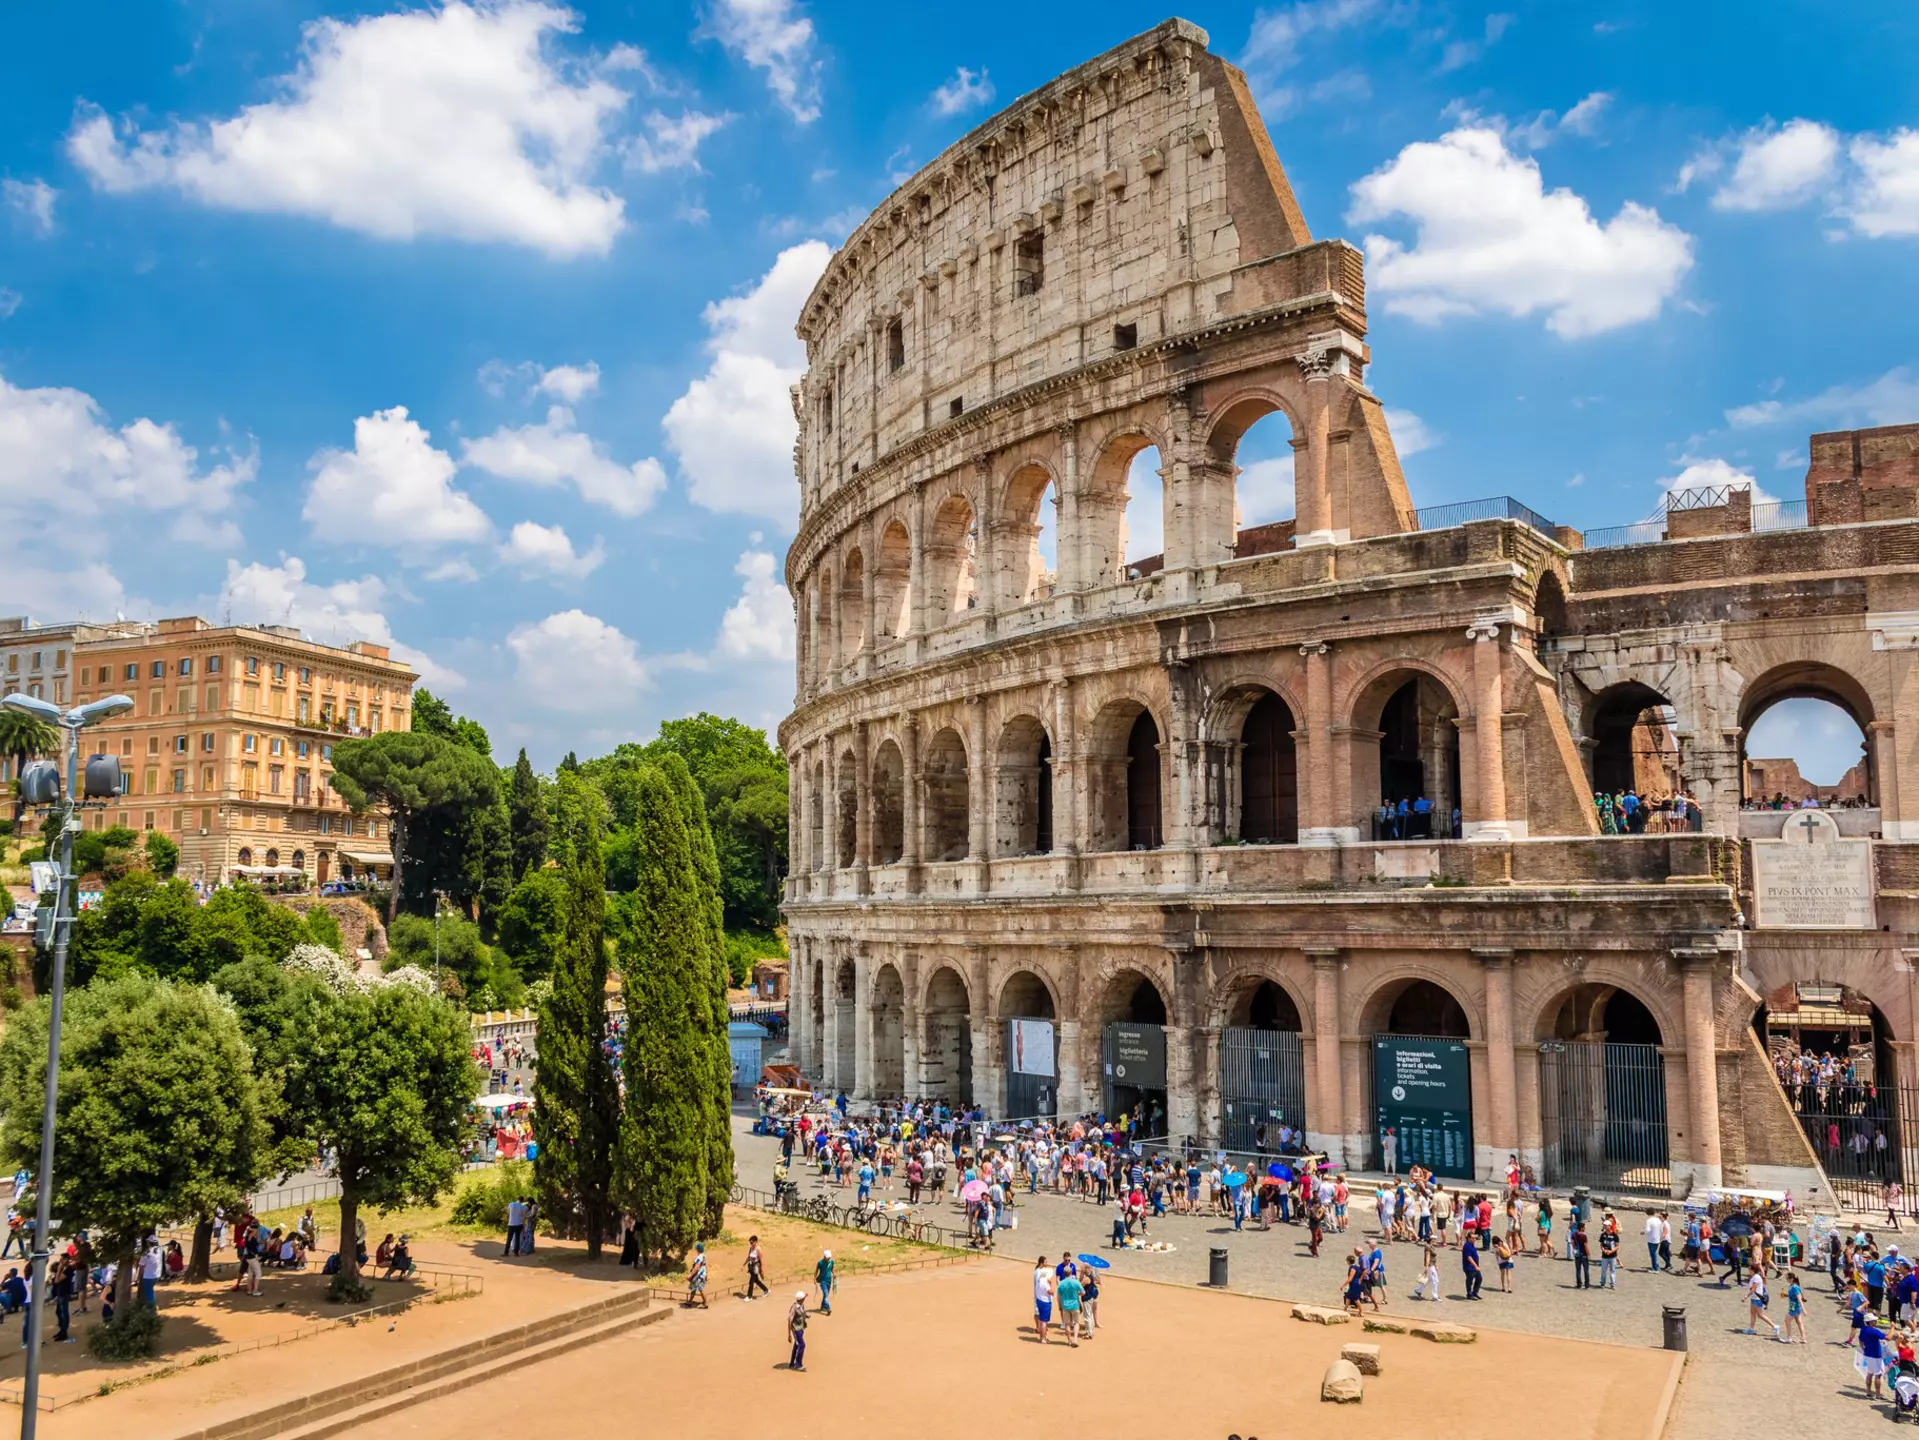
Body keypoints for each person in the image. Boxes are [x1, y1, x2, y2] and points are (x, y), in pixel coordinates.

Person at [1861, 1311, 1889, 1398]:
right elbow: (1888, 1337)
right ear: (1870, 1322)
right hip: (1875, 1356)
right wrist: (1892, 1328)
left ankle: (1869, 1392)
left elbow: (1861, 1341)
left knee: (1869, 1373)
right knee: (1878, 1375)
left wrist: (1864, 1349)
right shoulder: (1873, 1331)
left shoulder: (1864, 1329)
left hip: (1867, 1354)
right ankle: (1877, 1394)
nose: (1875, 1322)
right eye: (1874, 1320)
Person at [1057, 1265, 1085, 1345]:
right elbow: (1083, 1293)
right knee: (1076, 1323)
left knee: (1067, 1324)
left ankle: (1069, 1340)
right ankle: (1075, 1339)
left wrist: (1059, 1306)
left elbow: (1059, 1297)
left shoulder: (1061, 1284)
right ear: (1071, 1273)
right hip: (1075, 1305)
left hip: (1065, 1305)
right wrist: (1077, 1294)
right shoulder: (1076, 1282)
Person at [1032, 1256, 1054, 1343]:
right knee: (1042, 1319)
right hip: (1042, 1299)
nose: (1047, 1264)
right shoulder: (1039, 1275)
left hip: (1039, 1297)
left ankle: (1041, 1332)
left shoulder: (1039, 1273)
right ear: (1041, 1263)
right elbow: (1050, 1291)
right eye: (1045, 1262)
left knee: (1040, 1317)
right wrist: (1049, 1284)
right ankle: (1042, 1334)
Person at [787, 1290, 809, 1372]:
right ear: (801, 1299)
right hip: (796, 1329)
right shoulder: (794, 1308)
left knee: (797, 1345)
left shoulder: (801, 1305)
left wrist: (806, 1315)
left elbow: (802, 1313)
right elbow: (789, 1320)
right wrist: (789, 1334)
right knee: (802, 1345)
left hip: (801, 1328)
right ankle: (798, 1364)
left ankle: (792, 1363)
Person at [1784, 1270, 1807, 1344]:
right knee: (1799, 1322)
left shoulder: (1794, 1287)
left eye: (1787, 1278)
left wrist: (1804, 1309)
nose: (1786, 1280)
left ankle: (1789, 1337)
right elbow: (1794, 1296)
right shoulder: (1794, 1286)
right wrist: (1786, 1295)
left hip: (1794, 1307)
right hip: (1796, 1307)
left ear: (1791, 1279)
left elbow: (1799, 1298)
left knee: (1787, 1320)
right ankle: (1803, 1338)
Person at [744, 1236, 769, 1300]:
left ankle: (749, 1296)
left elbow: (761, 1260)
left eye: (752, 1242)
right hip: (751, 1266)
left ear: (755, 1241)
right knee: (756, 1280)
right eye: (750, 1242)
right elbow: (749, 1257)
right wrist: (743, 1265)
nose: (751, 1244)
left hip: (756, 1267)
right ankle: (766, 1290)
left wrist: (762, 1270)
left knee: (751, 1281)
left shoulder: (758, 1249)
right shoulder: (751, 1248)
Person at [687, 1242, 708, 1309]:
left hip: (698, 1276)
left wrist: (690, 1274)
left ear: (697, 1250)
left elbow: (696, 1267)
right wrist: (706, 1274)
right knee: (694, 1288)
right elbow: (706, 1266)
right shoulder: (704, 1256)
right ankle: (690, 1302)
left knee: (700, 1289)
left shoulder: (699, 1257)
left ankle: (705, 1303)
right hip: (702, 1275)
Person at [1599, 1222, 1620, 1289]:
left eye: (1606, 1225)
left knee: (1612, 1270)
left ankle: (1612, 1284)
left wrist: (1611, 1251)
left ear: (1610, 1226)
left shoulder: (1615, 1235)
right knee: (1603, 1270)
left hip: (1612, 1256)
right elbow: (1601, 1245)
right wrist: (1604, 1250)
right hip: (1604, 1256)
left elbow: (1617, 1246)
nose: (1604, 1227)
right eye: (1604, 1225)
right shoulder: (1602, 1235)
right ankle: (1602, 1283)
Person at [814, 1249, 835, 1315]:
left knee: (826, 1295)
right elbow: (816, 1271)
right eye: (827, 1257)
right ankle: (827, 1308)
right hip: (823, 1281)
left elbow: (832, 1268)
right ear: (824, 1257)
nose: (829, 1258)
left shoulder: (831, 1262)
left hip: (829, 1280)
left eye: (829, 1257)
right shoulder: (820, 1263)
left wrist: (834, 1274)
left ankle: (822, 1305)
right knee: (825, 1294)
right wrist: (814, 1278)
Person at [1462, 1233, 1482, 1300]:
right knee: (1469, 1280)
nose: (1474, 1239)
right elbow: (1469, 1257)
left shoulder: (1472, 1245)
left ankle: (1475, 1293)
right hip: (1469, 1267)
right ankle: (1469, 1294)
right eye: (1473, 1238)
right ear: (1469, 1238)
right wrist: (1476, 1266)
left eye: (1475, 1238)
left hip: (1474, 1267)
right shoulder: (1467, 1246)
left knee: (1479, 1279)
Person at [1571, 1223, 1592, 1289]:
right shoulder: (1584, 1236)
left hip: (1577, 1254)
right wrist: (1589, 1254)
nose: (1585, 1228)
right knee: (1586, 1270)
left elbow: (1573, 1243)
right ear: (1582, 1228)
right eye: (1584, 1227)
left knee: (1578, 1270)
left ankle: (1579, 1284)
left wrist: (1575, 1250)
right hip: (1583, 1254)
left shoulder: (1574, 1235)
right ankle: (1587, 1284)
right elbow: (1586, 1246)